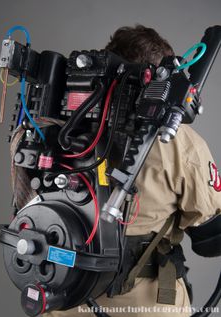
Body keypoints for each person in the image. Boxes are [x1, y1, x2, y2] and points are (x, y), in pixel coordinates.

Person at [44, 25, 221, 317]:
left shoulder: (52, 128)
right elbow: (210, 239)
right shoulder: (180, 141)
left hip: (63, 298)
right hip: (146, 306)